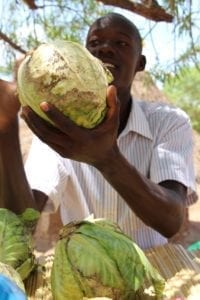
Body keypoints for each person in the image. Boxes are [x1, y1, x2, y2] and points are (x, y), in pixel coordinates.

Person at [0, 13, 197, 249]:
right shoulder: (56, 129)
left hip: (153, 269)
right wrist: (6, 126)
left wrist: (106, 159)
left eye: (121, 43)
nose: (104, 49)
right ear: (82, 59)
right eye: (94, 43)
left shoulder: (169, 122)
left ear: (140, 63)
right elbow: (22, 227)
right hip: (84, 274)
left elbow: (172, 221)